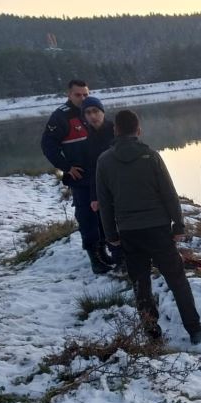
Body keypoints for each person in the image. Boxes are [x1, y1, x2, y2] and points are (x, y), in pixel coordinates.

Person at [96, 109, 201, 344]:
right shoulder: (151, 156)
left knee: (140, 283)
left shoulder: (104, 161)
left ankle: (152, 335)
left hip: (128, 232)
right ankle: (195, 329)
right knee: (177, 280)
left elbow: (104, 202)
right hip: (158, 230)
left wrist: (110, 234)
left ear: (116, 130)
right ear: (138, 130)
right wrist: (178, 225)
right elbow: (169, 194)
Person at [41, 79, 108, 274]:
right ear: (69, 95)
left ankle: (105, 250)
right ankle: (94, 256)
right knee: (87, 217)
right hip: (81, 178)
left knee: (104, 215)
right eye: (78, 95)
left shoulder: (94, 110)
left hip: (101, 175)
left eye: (85, 94)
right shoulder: (60, 117)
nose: (82, 98)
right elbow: (48, 146)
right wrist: (66, 167)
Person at [80, 95, 121, 272]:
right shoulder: (88, 139)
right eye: (88, 113)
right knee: (106, 227)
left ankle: (133, 258)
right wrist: (93, 197)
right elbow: (91, 171)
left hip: (121, 186)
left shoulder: (116, 131)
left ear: (102, 112)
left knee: (125, 224)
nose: (92, 116)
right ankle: (119, 260)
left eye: (95, 111)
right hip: (101, 189)